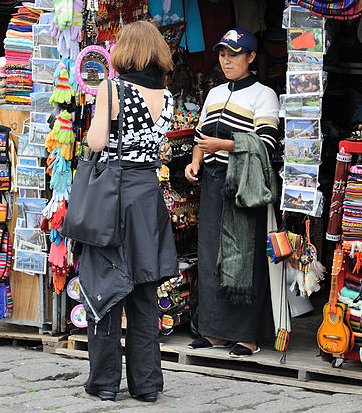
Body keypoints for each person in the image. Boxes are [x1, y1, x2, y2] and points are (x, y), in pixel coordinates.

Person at [78, 21, 178, 403]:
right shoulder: (166, 97)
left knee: (105, 289)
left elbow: (96, 141)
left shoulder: (112, 89)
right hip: (148, 197)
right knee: (144, 293)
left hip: (113, 198)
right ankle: (147, 384)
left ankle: (104, 382)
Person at [185, 28, 280, 357]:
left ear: (250, 57)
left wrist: (220, 145)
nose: (226, 61)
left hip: (242, 182)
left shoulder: (264, 95)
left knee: (242, 257)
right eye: (223, 54)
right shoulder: (214, 93)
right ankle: (214, 332)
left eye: (234, 54)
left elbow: (265, 144)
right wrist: (196, 161)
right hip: (212, 180)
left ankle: (246, 336)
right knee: (211, 254)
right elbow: (200, 137)